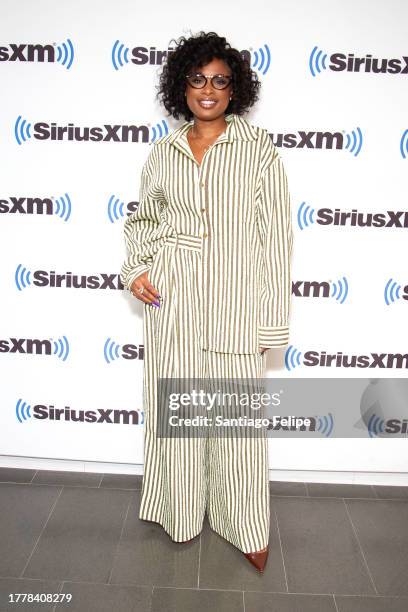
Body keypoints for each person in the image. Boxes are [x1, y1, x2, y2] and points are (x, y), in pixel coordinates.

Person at [120, 31, 294, 573]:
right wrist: (136, 268)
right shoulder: (163, 151)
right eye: (198, 80)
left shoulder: (258, 147)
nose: (209, 90)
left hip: (235, 299)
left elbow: (275, 238)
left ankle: (246, 525)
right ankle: (181, 511)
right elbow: (144, 219)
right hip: (172, 298)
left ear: (234, 88)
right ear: (182, 87)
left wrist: (271, 323)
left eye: (220, 80)